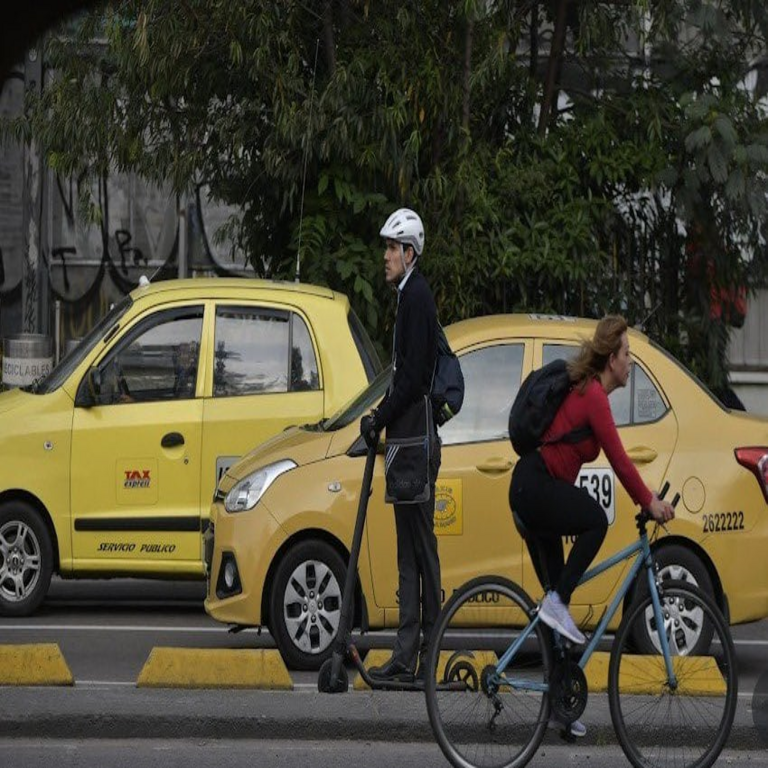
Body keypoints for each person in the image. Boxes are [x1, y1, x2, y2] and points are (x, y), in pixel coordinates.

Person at [509, 315, 675, 735]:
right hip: (534, 485)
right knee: (595, 523)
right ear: (611, 358)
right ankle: (558, 603)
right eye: (627, 354)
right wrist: (650, 502)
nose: (631, 362)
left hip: (536, 488)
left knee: (554, 611)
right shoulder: (594, 396)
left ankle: (559, 710)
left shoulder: (591, 394)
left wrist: (648, 497)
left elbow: (616, 459)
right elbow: (620, 461)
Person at [360, 207, 441, 683]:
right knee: (409, 550)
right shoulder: (409, 297)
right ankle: (407, 653)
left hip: (414, 438)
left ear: (410, 254)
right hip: (406, 438)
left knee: (420, 548)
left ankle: (426, 649)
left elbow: (411, 379)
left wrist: (379, 416)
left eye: (392, 248)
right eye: (387, 247)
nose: (385, 256)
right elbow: (404, 376)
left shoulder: (417, 298)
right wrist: (379, 418)